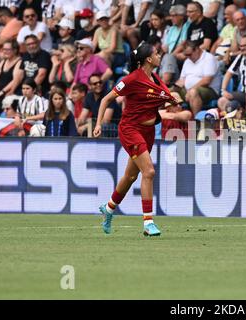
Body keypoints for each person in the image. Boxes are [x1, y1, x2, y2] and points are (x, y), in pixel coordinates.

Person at [93, 43, 179, 236]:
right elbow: (106, 99)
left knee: (131, 176)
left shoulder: (156, 79)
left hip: (147, 131)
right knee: (149, 171)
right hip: (130, 129)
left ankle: (108, 208)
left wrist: (173, 100)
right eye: (157, 53)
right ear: (148, 59)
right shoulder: (131, 79)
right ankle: (148, 222)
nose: (159, 55)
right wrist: (98, 124)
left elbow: (158, 98)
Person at [172, 40, 221, 115]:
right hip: (188, 90)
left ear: (197, 49)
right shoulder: (188, 60)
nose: (188, 57)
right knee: (170, 94)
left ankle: (195, 122)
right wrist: (172, 89)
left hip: (210, 90)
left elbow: (206, 81)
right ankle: (175, 120)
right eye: (186, 55)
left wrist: (191, 90)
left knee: (193, 92)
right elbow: (182, 80)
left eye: (190, 54)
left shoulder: (209, 58)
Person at [0, 40, 23, 114]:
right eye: (4, 49)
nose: (4, 51)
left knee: (2, 101)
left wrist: (1, 93)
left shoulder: (19, 62)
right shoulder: (3, 61)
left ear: (15, 50)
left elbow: (16, 80)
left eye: (7, 49)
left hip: (9, 92)